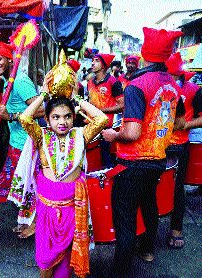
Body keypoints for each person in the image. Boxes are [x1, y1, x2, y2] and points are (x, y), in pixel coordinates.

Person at [102, 27, 184, 276]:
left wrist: (113, 135)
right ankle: (147, 249)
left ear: (144, 53)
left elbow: (132, 133)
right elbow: (178, 123)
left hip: (132, 164)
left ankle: (121, 272)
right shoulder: (172, 84)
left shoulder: (136, 85)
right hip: (158, 160)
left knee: (124, 220)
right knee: (149, 205)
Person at [12, 70, 108, 277]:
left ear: (74, 118)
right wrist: (44, 95)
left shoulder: (82, 134)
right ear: (47, 119)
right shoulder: (41, 135)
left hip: (72, 208)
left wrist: (76, 98)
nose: (62, 121)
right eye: (55, 117)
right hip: (46, 210)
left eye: (67, 116)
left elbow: (101, 119)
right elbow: (25, 118)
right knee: (46, 259)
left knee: (66, 256)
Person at [0, 41, 44, 239]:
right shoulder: (7, 80)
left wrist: (11, 116)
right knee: (20, 184)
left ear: (10, 59)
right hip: (16, 143)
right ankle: (25, 219)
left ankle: (35, 223)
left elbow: (41, 110)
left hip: (27, 144)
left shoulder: (20, 81)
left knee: (30, 185)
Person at [165, 52, 202, 249]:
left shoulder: (194, 90)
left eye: (172, 75)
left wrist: (185, 124)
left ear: (179, 74)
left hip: (179, 146)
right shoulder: (158, 87)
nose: (168, 78)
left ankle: (176, 228)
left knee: (177, 189)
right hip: (156, 146)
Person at [88, 53, 123, 167]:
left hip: (105, 126)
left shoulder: (113, 82)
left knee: (105, 158)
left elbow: (122, 105)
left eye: (96, 61)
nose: (93, 63)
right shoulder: (90, 82)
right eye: (93, 60)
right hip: (89, 124)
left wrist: (101, 110)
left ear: (103, 65)